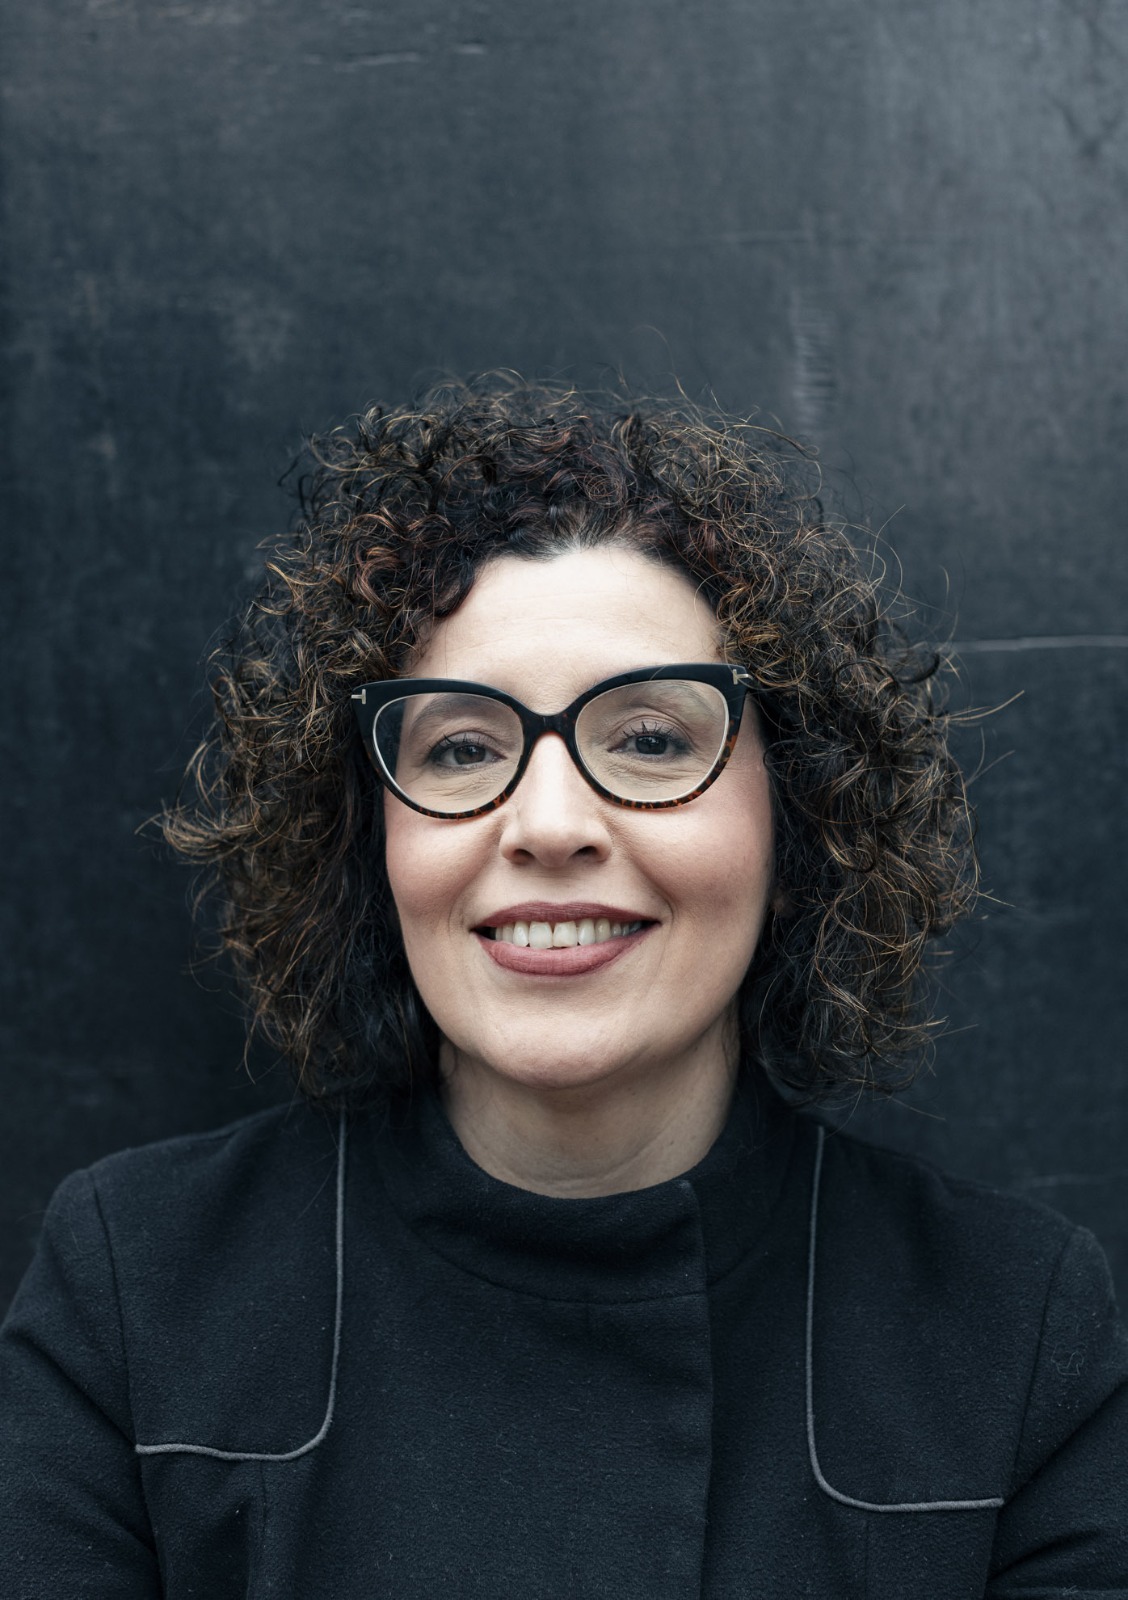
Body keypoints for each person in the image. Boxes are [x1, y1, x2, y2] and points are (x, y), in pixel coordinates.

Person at [1, 376, 1125, 1597]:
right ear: (370, 838)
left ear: (800, 817)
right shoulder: (134, 1288)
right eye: (461, 747)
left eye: (650, 739)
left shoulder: (1019, 1332)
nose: (547, 823)